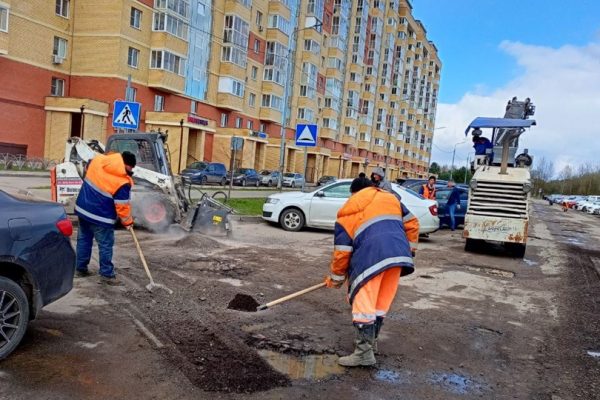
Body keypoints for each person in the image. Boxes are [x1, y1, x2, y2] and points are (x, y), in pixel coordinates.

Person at [325, 177, 419, 367]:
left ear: (354, 193)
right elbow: (413, 224)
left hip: (370, 261)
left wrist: (336, 278)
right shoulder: (391, 199)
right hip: (396, 259)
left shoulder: (347, 212)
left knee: (364, 305)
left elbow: (343, 251)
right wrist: (409, 250)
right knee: (380, 303)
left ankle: (363, 354)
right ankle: (371, 343)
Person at [75, 151, 136, 285]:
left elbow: (87, 169)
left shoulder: (97, 161)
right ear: (127, 165)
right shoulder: (122, 181)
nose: (132, 171)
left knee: (84, 240)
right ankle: (106, 274)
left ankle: (80, 269)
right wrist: (128, 222)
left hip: (83, 210)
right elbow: (122, 206)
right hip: (101, 216)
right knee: (105, 245)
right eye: (132, 168)